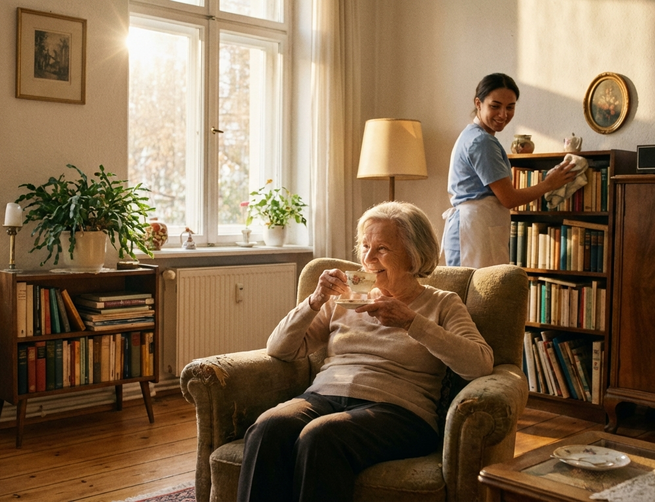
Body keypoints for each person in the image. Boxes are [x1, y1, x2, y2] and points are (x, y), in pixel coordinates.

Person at [236, 201, 494, 502]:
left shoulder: (443, 303)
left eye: (382, 248)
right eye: (365, 246)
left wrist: (412, 323)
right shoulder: (344, 299)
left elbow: (480, 364)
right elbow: (279, 348)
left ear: (414, 255)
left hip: (400, 412)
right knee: (269, 427)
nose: (368, 258)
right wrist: (316, 300)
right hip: (323, 396)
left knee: (321, 437)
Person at [442, 73, 578, 268]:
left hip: (473, 229)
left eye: (510, 107)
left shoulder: (472, 135)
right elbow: (509, 199)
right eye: (495, 106)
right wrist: (549, 183)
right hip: (474, 232)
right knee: (476, 296)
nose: (503, 115)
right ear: (478, 103)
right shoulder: (482, 141)